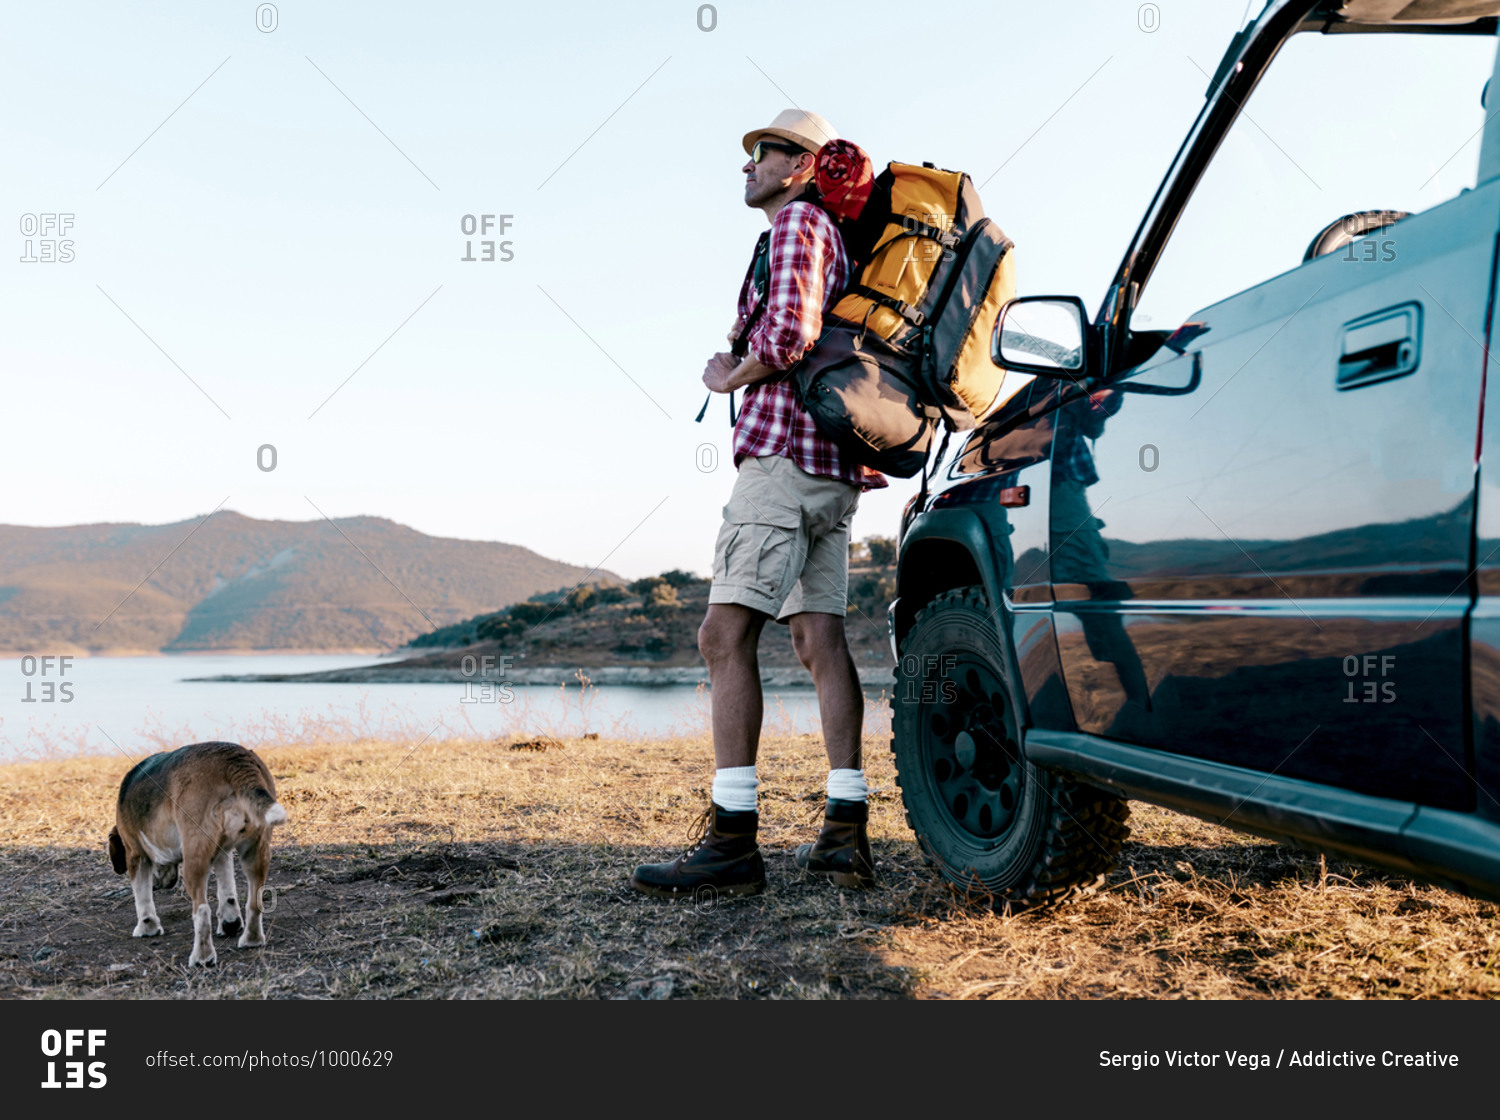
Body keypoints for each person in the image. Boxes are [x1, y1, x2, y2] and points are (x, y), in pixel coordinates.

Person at [631, 109, 887, 899]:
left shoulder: (798, 225)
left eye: (764, 153)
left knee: (720, 635)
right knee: (817, 638)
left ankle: (732, 841)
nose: (749, 164)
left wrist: (728, 375)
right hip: (831, 468)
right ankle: (845, 831)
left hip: (784, 461)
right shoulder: (822, 231)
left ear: (803, 165)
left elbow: (788, 336)